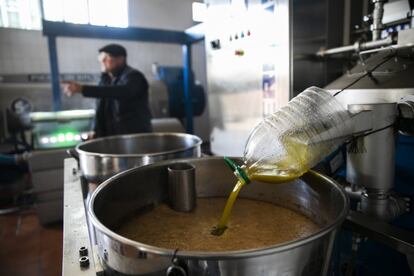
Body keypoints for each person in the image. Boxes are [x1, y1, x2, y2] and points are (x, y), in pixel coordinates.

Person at [62, 44, 152, 138]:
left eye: (106, 58)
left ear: (120, 59)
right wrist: (95, 130)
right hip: (113, 137)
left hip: (134, 136)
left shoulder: (134, 77)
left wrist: (83, 89)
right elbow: (100, 107)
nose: (102, 61)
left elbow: (120, 91)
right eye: (101, 58)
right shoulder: (106, 79)